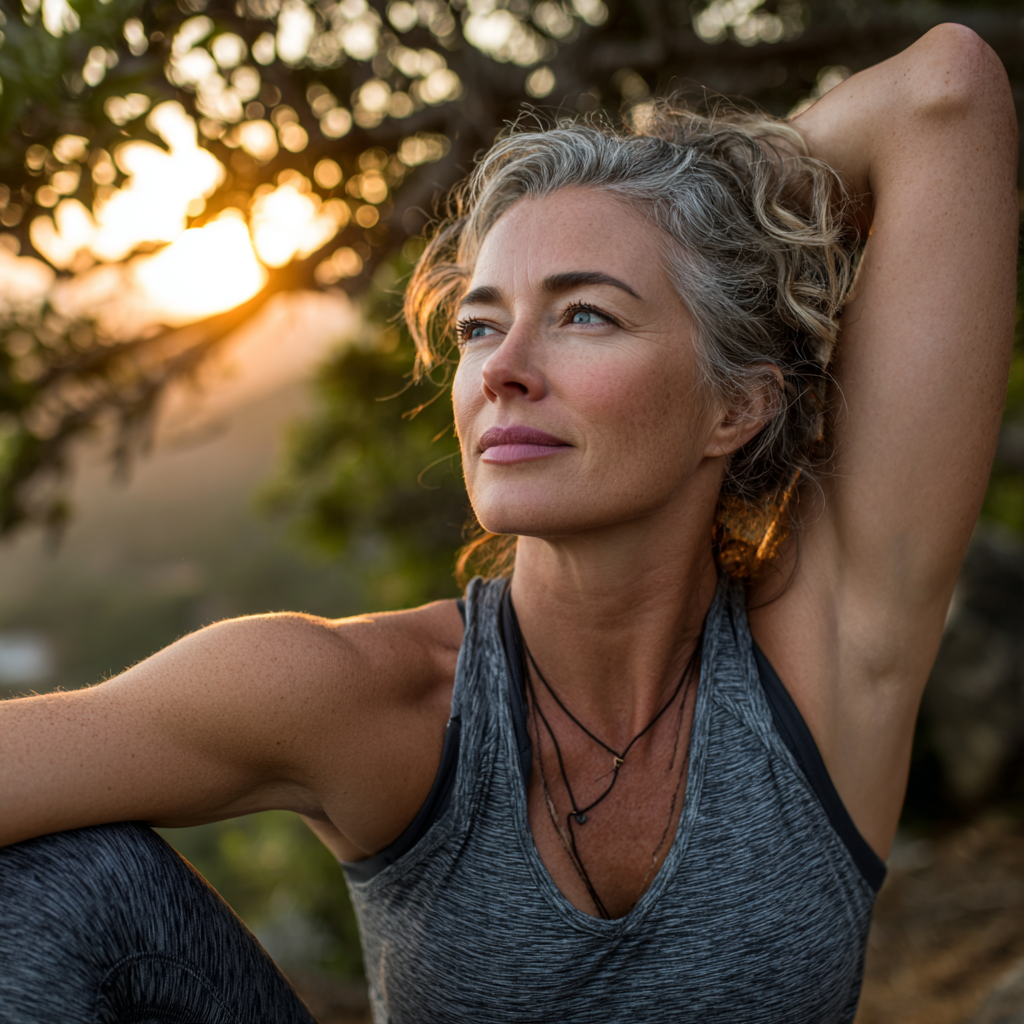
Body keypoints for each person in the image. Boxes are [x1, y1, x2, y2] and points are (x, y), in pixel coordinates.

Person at [0, 23, 1017, 1024]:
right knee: (61, 883)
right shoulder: (372, 702)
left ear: (734, 407)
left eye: (585, 314)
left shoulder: (826, 663)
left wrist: (702, 210)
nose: (501, 370)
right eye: (482, 324)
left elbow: (946, 94)